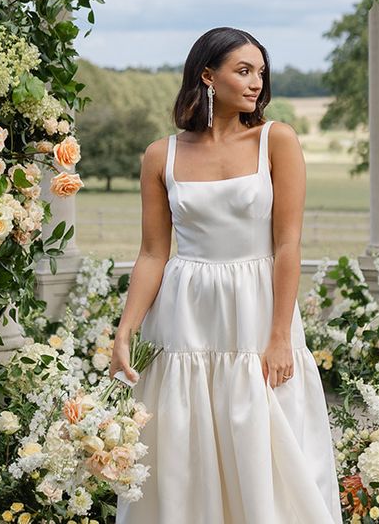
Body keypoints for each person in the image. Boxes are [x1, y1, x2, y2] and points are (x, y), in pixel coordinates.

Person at [111, 26, 344, 524]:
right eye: (243, 70)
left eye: (261, 71)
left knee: (267, 445)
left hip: (257, 311)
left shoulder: (275, 140)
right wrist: (126, 328)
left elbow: (287, 244)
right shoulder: (161, 155)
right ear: (207, 76)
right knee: (182, 444)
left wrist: (280, 335)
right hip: (185, 315)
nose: (257, 82)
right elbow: (153, 253)